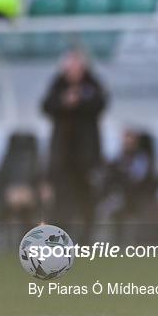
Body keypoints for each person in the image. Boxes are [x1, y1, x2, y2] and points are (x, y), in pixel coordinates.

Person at [42, 49, 108, 245]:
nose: (74, 71)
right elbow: (46, 106)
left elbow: (101, 103)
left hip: (87, 156)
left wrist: (79, 101)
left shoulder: (93, 85)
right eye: (71, 67)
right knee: (62, 200)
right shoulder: (57, 85)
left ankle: (87, 240)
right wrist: (64, 101)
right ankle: (59, 241)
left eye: (78, 67)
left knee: (87, 197)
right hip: (62, 155)